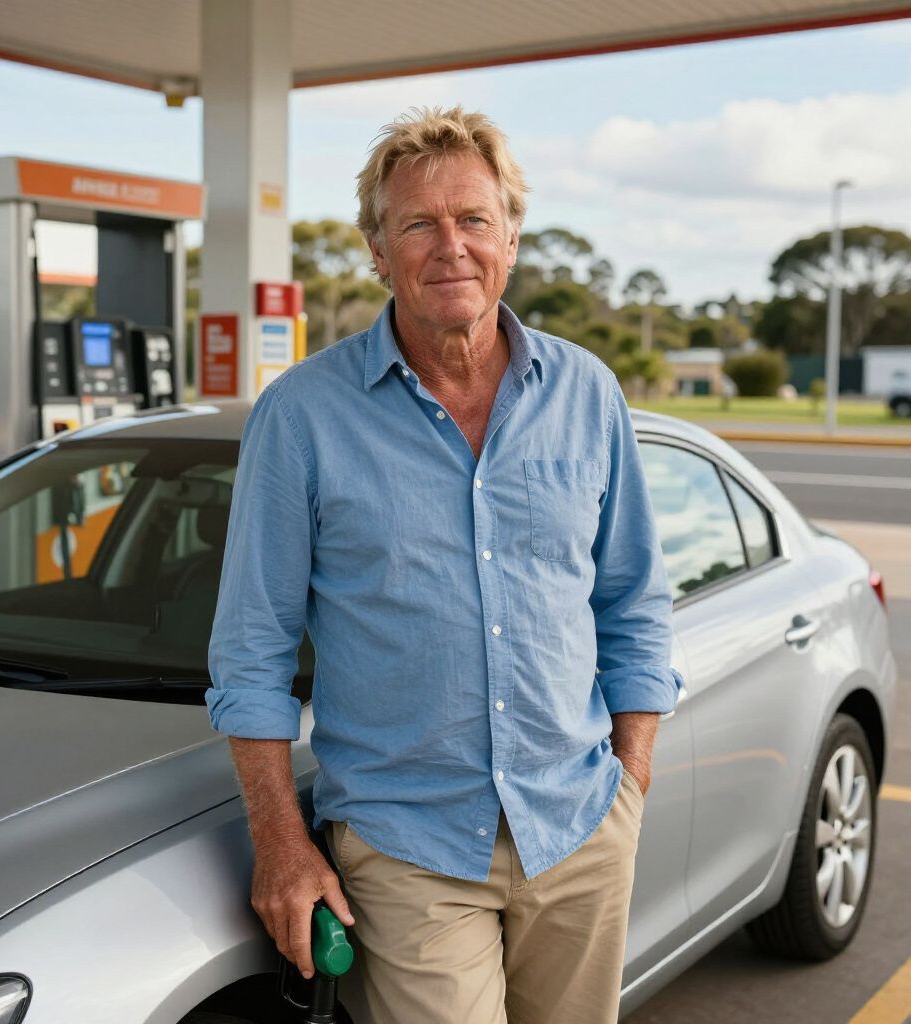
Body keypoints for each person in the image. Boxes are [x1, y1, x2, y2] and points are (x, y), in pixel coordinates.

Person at [206, 106, 682, 1024]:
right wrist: (281, 840)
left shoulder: (587, 393)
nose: (449, 246)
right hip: (407, 848)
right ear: (378, 253)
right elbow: (251, 651)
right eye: (417, 224)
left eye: (472, 219)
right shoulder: (302, 416)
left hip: (579, 827)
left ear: (510, 235)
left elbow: (632, 598)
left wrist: (630, 776)